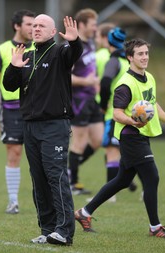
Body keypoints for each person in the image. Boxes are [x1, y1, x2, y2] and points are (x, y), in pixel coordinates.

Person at [75, 38, 165, 239]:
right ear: (130, 57)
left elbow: (152, 103)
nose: (144, 57)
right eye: (140, 54)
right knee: (152, 176)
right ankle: (155, 227)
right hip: (131, 136)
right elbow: (117, 113)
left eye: (146, 53)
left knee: (122, 180)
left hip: (141, 134)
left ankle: (84, 213)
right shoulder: (125, 84)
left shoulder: (149, 77)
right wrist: (133, 121)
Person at [3, 14, 83, 246]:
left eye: (41, 26)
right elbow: (9, 86)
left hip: (54, 126)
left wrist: (75, 41)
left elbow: (74, 53)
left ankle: (64, 231)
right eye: (34, 25)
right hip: (30, 127)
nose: (36, 29)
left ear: (52, 31)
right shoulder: (26, 55)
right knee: (38, 179)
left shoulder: (59, 53)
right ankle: (47, 229)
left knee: (55, 176)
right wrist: (13, 67)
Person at [0, 9, 35, 214]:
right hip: (12, 109)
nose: (33, 28)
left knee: (39, 156)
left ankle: (45, 199)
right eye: (29, 24)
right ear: (17, 26)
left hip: (37, 109)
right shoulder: (2, 50)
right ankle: (13, 201)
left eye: (36, 25)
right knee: (14, 153)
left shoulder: (41, 49)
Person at [97, 27, 137, 203]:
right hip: (132, 113)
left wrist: (103, 104)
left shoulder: (114, 61)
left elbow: (105, 82)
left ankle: (110, 195)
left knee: (112, 152)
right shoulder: (129, 60)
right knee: (136, 155)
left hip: (116, 114)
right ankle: (144, 189)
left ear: (109, 41)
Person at [68, 8, 103, 195]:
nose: (95, 28)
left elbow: (91, 69)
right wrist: (86, 81)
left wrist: (95, 84)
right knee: (79, 142)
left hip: (92, 99)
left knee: (98, 139)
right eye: (93, 25)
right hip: (78, 100)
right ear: (81, 25)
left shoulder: (90, 43)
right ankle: (72, 182)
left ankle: (69, 170)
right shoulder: (73, 47)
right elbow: (65, 76)